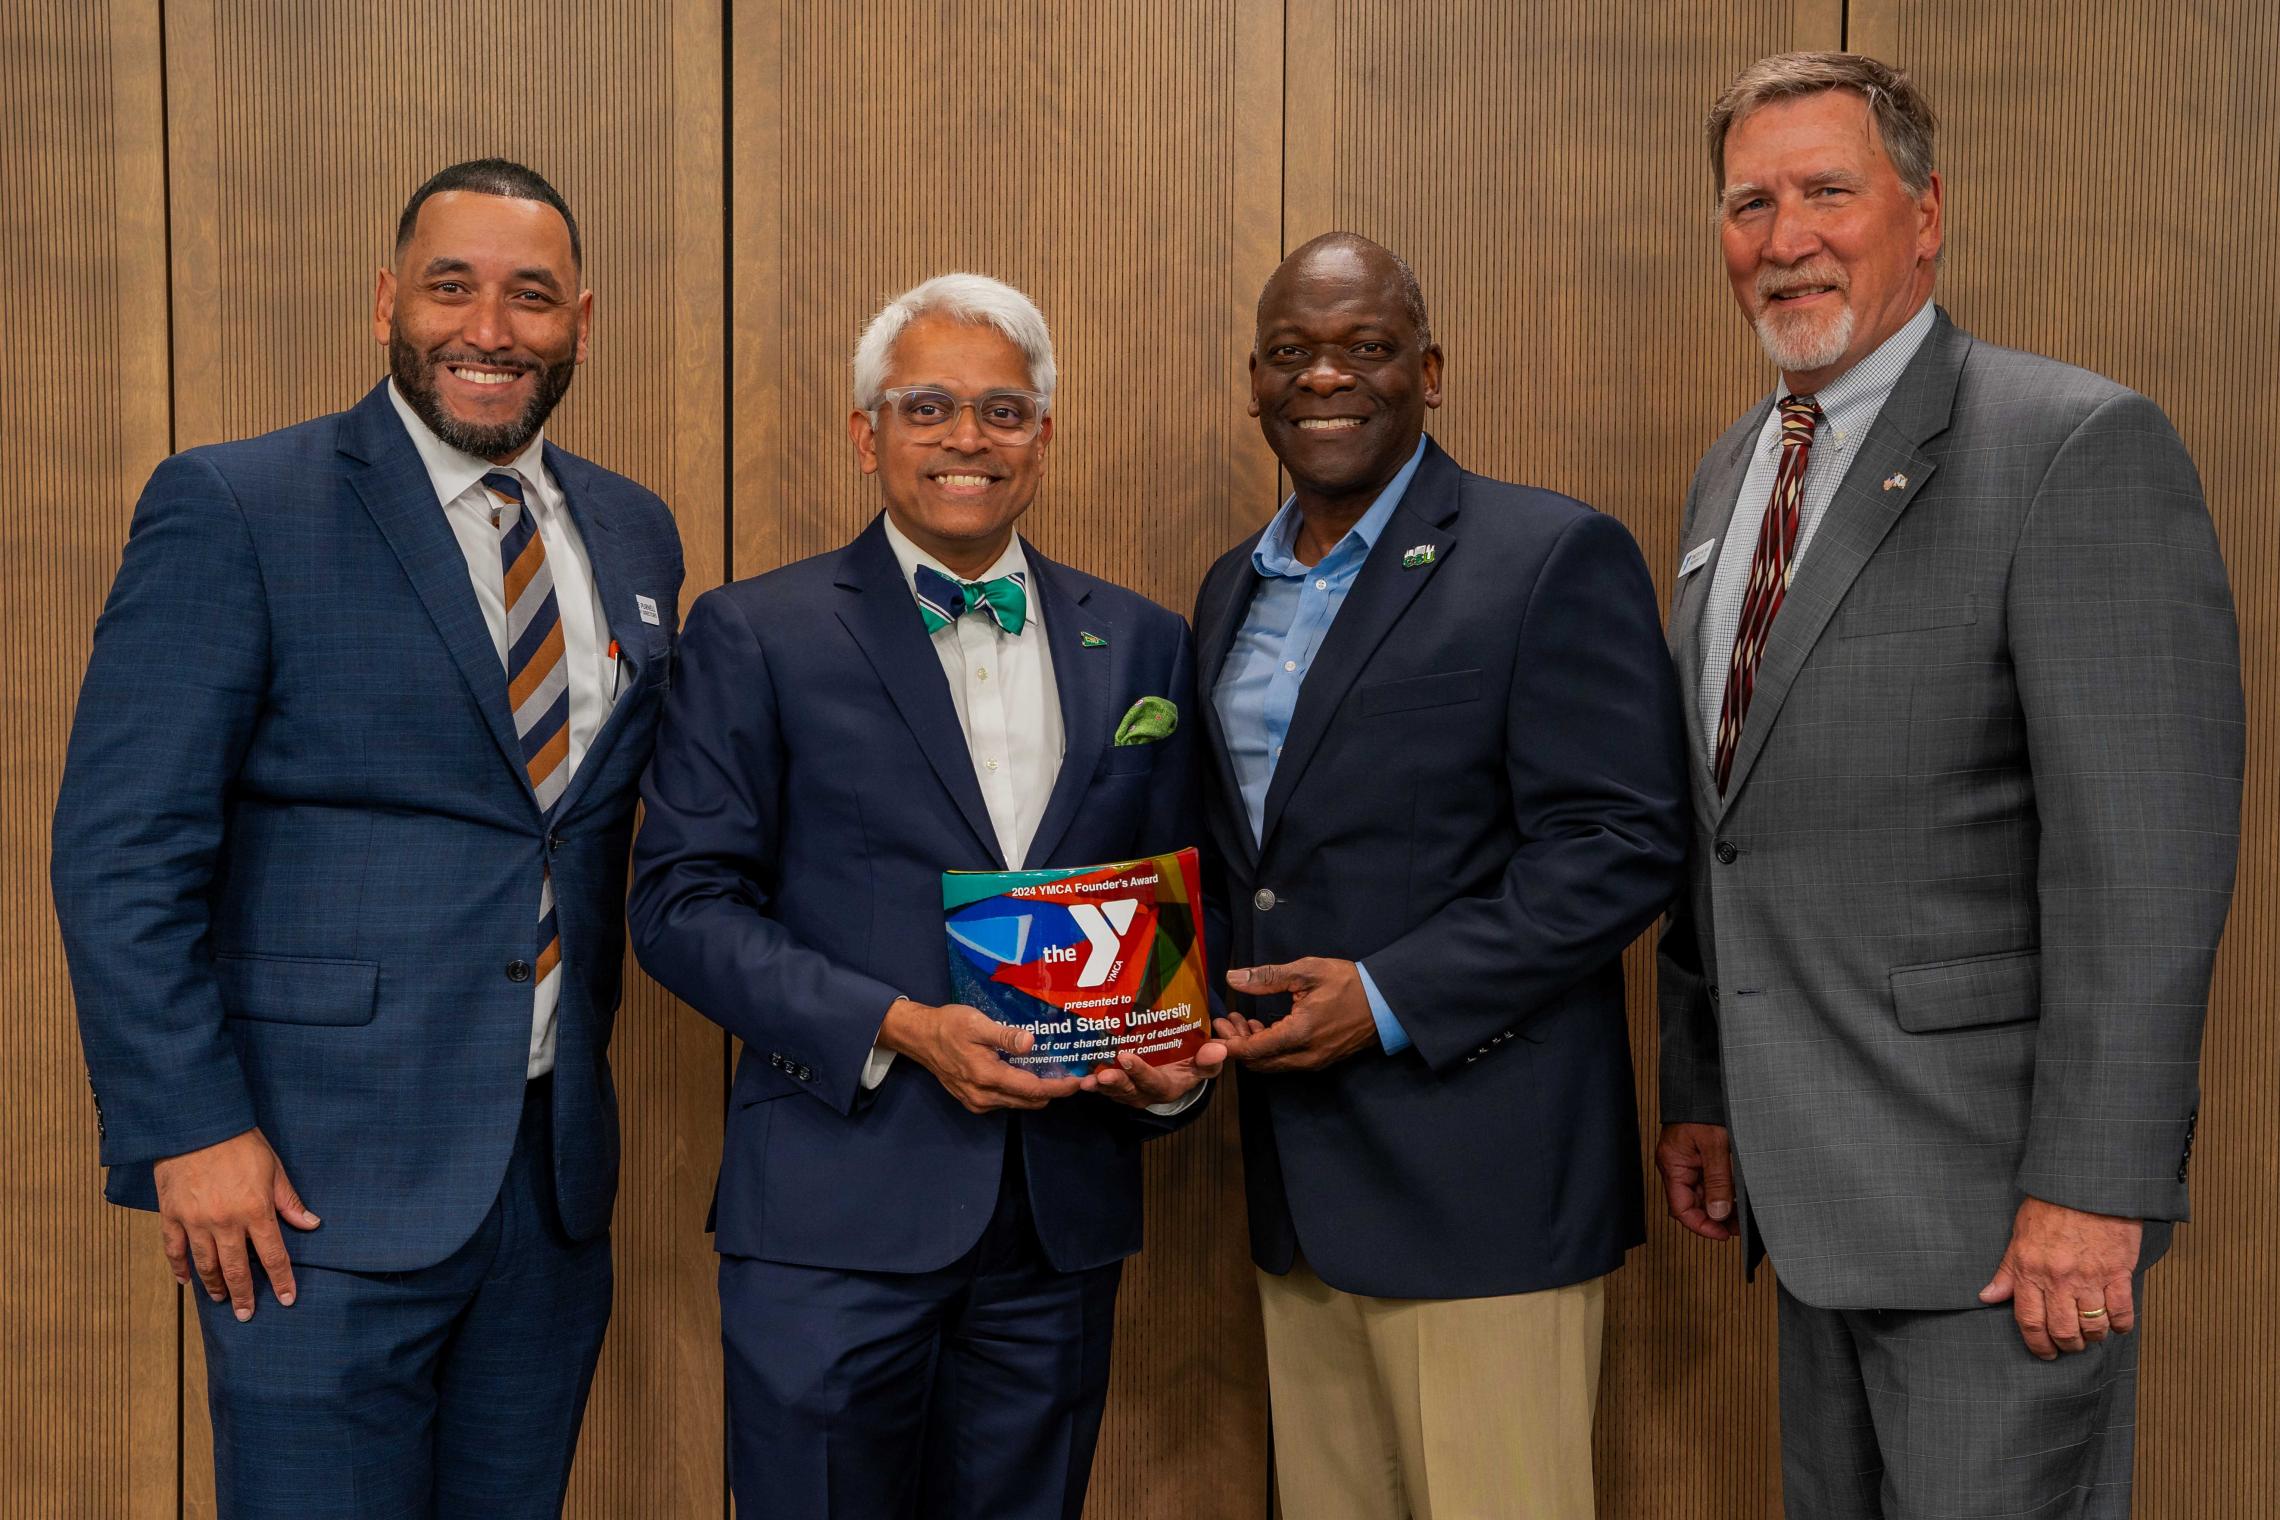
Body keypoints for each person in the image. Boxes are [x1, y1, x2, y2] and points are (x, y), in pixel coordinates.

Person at [1655, 53, 2244, 1518]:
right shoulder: (1731, 478)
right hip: (1810, 1196)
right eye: (1749, 202)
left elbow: (2144, 863)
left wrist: (2095, 1192)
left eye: (1826, 193)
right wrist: (1712, 1085)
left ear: (1925, 215)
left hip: (1999, 1222)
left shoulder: (2074, 448)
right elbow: (1728, 825)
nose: (1783, 237)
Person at [50, 158, 685, 1516]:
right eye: (451, 287)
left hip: (546, 1181)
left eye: (528, 298)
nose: (488, 330)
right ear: (387, 301)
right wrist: (191, 1129)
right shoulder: (238, 506)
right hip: (306, 1187)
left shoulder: (633, 531)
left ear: (581, 318)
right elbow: (121, 847)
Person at [626, 272, 1219, 1520]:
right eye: (929, 405)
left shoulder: (1147, 641)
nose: (967, 437)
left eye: (1003, 411)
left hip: (1056, 1225)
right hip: (833, 1219)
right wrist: (898, 1025)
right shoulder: (759, 631)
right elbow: (680, 902)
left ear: (1043, 438)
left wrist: (1180, 1070)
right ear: (867, 434)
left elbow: (1170, 909)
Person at [1196, 232, 1689, 1520]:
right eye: (1293, 352)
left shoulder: (1546, 554)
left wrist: (1387, 991)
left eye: (1365, 348)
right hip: (1300, 1194)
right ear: (1252, 379)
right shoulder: (1226, 593)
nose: (1326, 379)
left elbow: (1621, 840)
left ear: (1430, 368)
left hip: (1482, 1181)